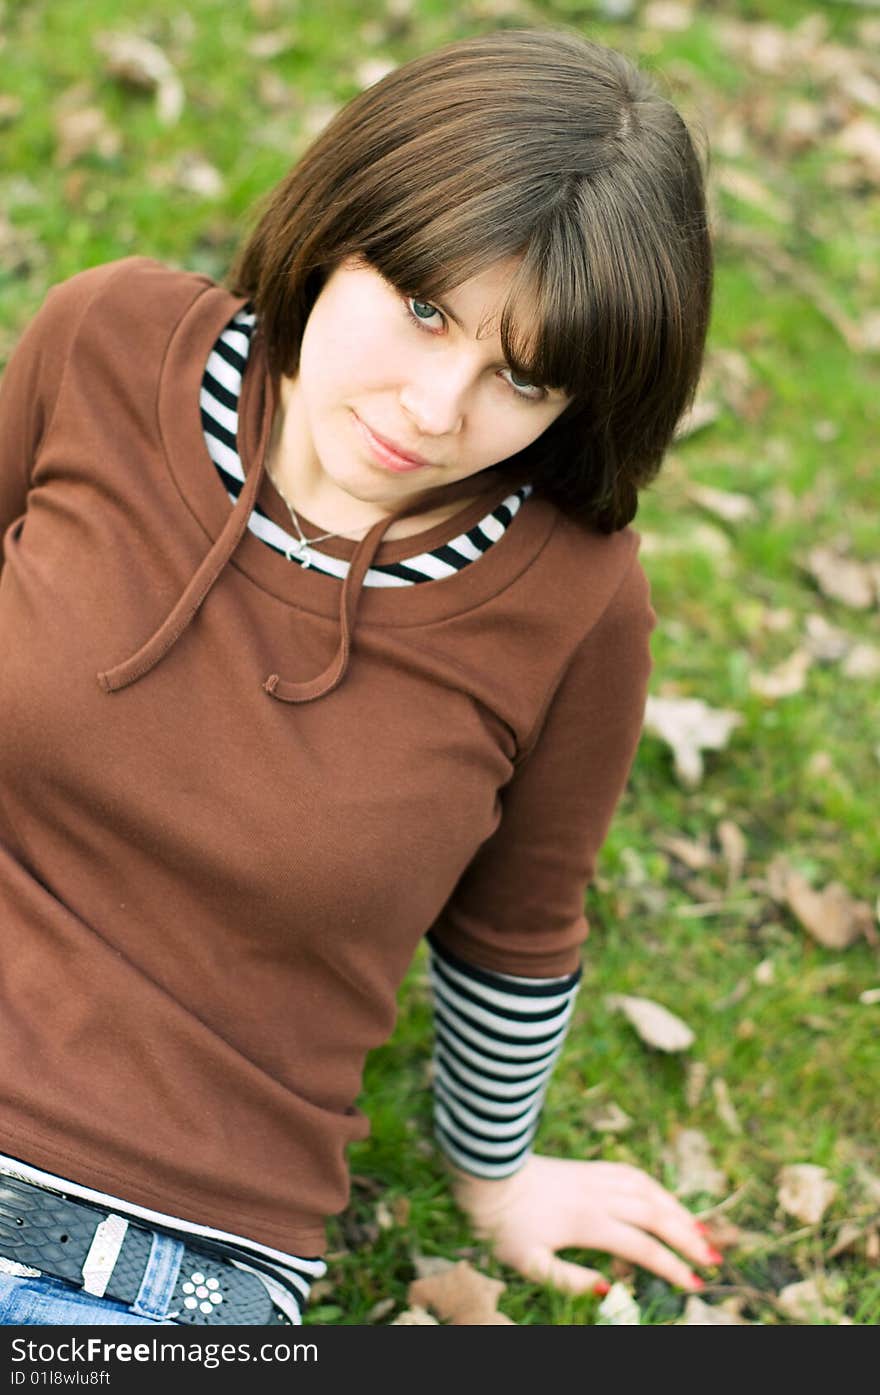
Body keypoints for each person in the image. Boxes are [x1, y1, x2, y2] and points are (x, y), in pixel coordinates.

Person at [0, 26, 716, 1327]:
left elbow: (517, 932)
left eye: (524, 377)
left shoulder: (574, 603)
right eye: (426, 306)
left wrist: (494, 1178)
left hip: (154, 1262)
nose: (439, 408)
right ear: (343, 227)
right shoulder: (102, 343)